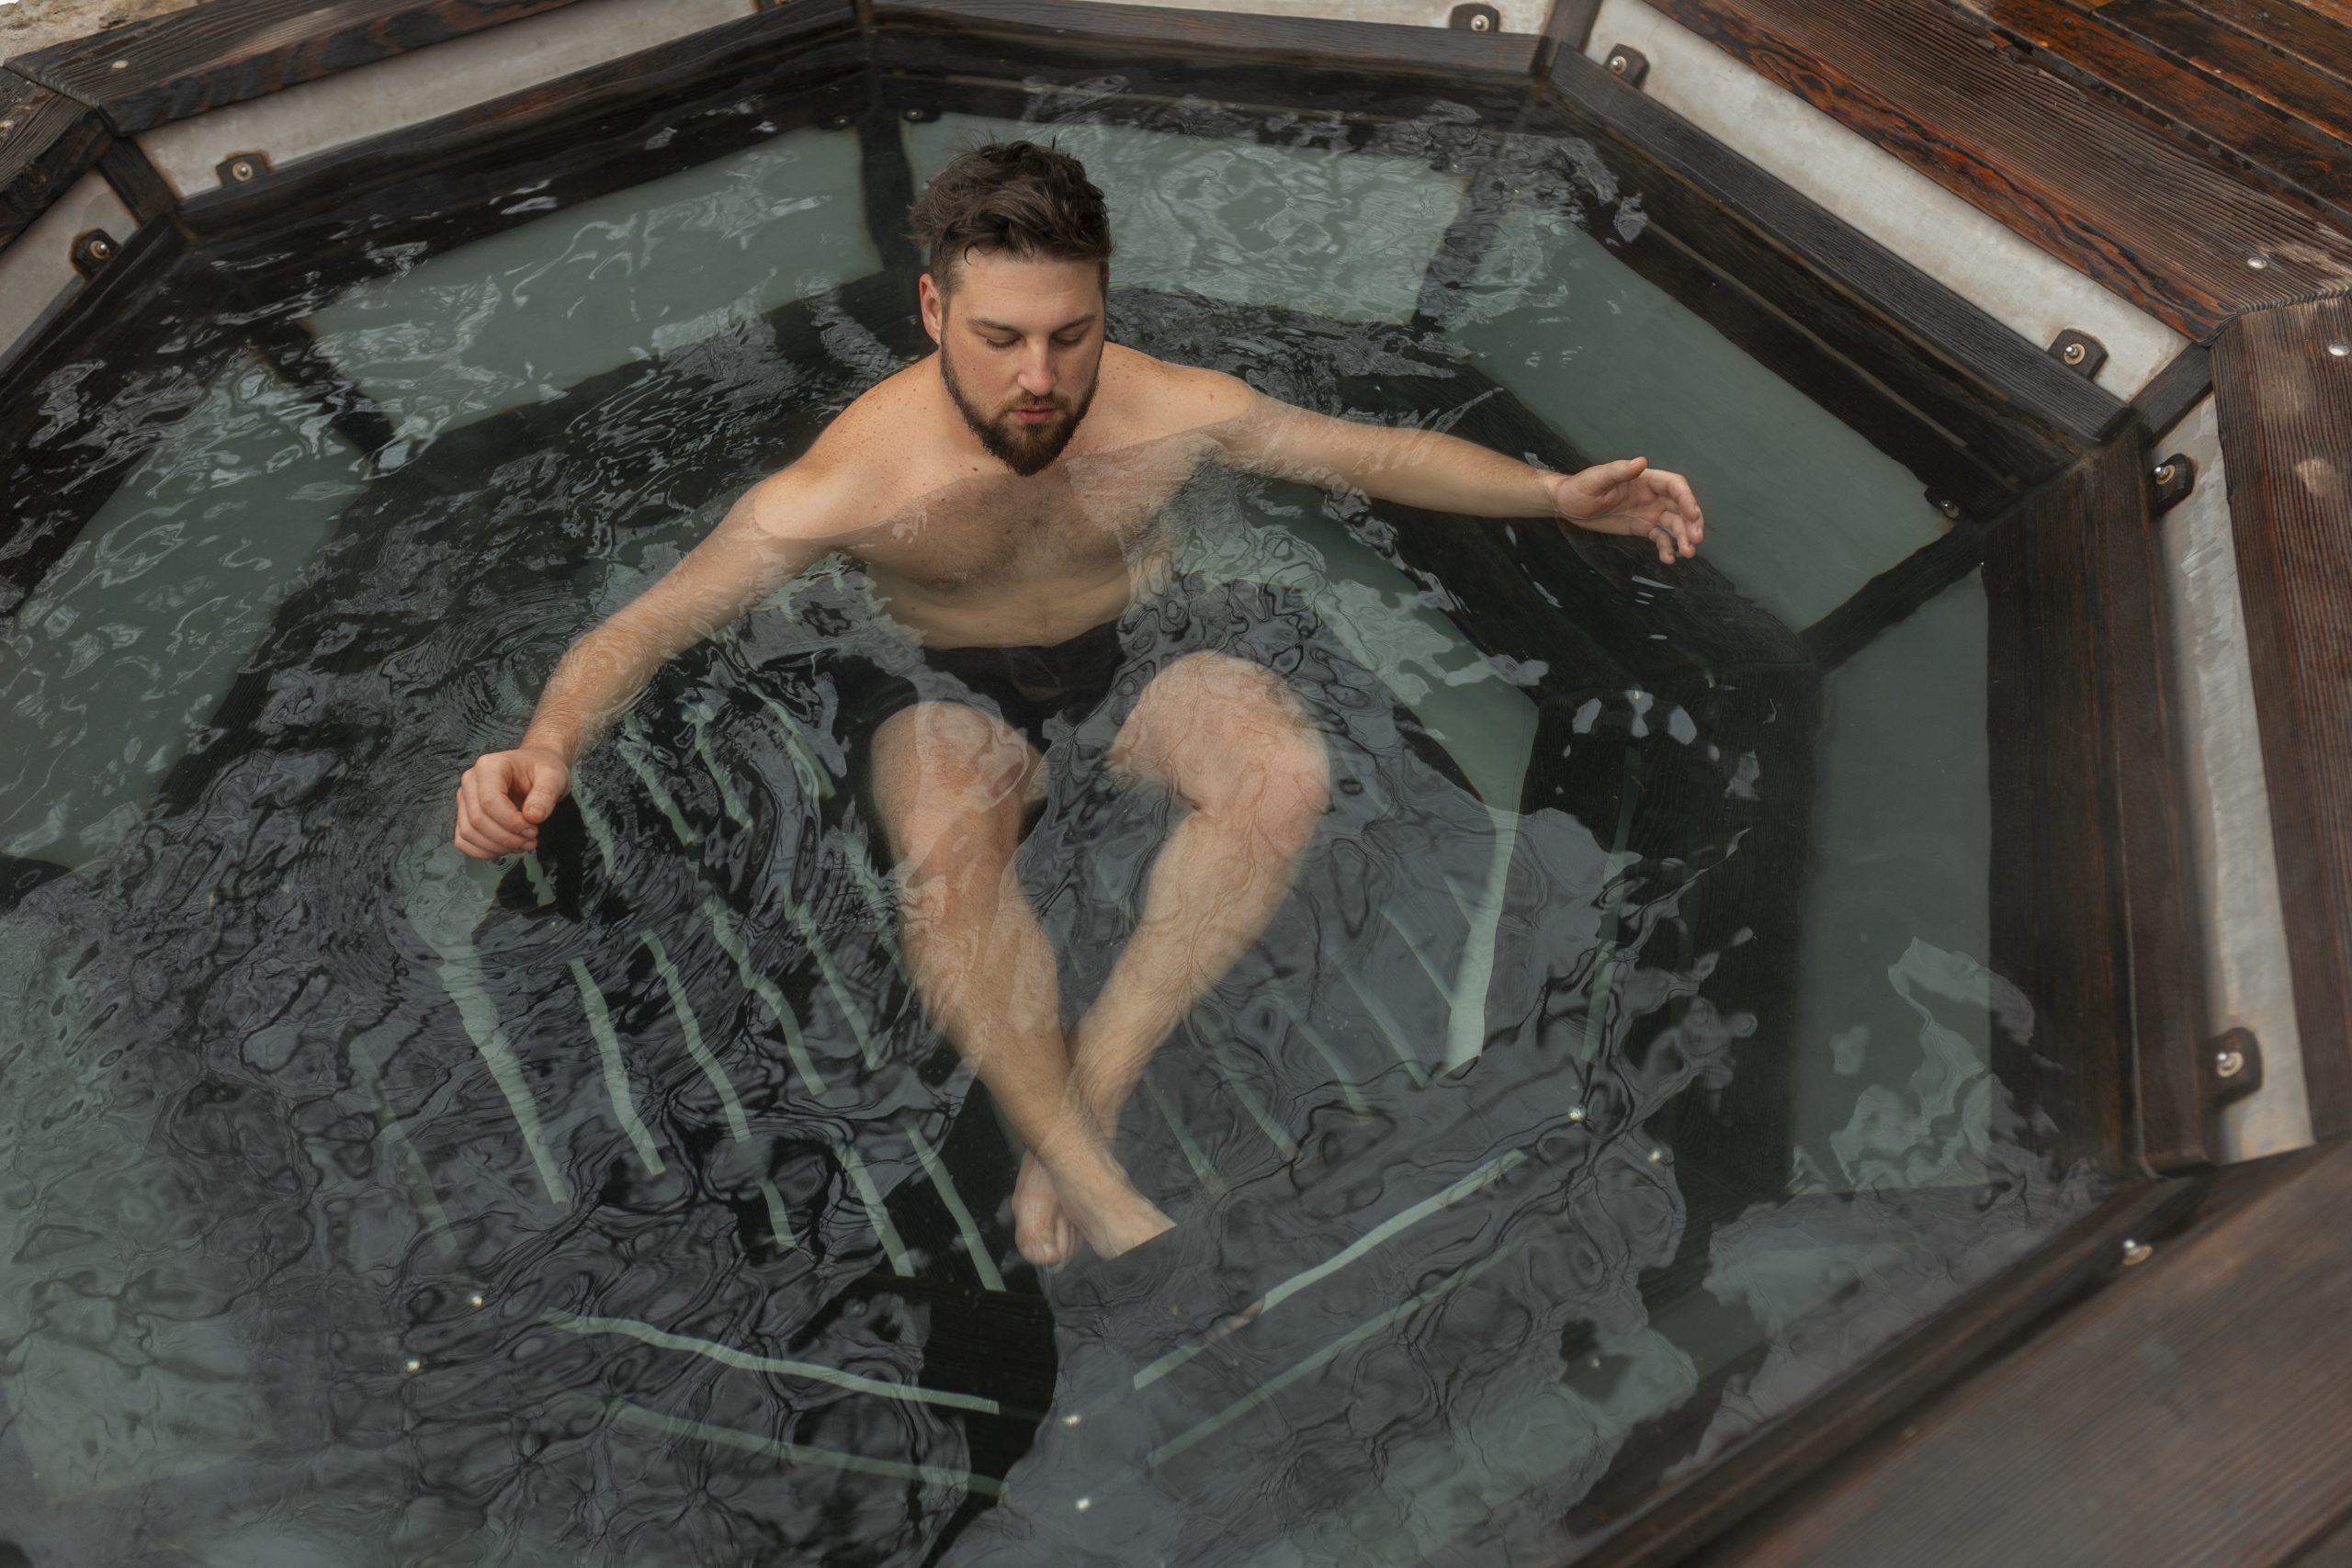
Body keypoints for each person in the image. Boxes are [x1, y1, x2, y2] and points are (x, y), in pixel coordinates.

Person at [451, 140, 1703, 1268]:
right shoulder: (850, 482)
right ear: (933, 308)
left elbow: (1369, 454)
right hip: (939, 677)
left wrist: (1555, 498)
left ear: (1106, 306)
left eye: (1072, 334)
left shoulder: (1172, 410)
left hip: (1138, 646)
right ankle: (1101, 1192)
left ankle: (1089, 1093)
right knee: (948, 859)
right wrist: (546, 745)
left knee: (1281, 774)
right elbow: (652, 621)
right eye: (1000, 338)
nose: (1040, 377)